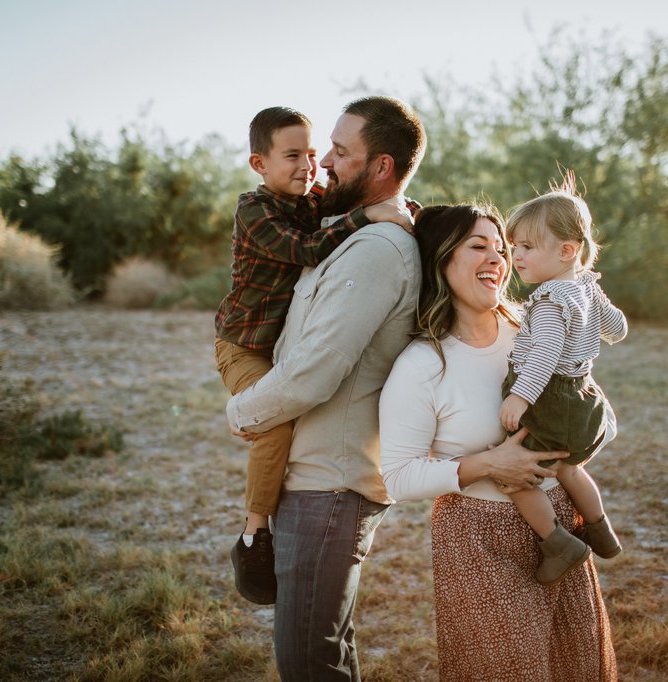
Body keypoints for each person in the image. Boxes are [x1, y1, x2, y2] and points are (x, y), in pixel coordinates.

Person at [225, 96, 427, 680]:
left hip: (329, 486)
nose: (324, 165)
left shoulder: (376, 248)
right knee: (326, 652)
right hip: (317, 478)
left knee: (308, 661)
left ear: (381, 166)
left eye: (339, 152)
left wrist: (241, 412)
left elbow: (315, 370)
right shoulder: (346, 232)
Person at [380, 203, 618, 681]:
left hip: (562, 524)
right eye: (478, 246)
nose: (498, 258)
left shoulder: (533, 330)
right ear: (442, 260)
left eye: (503, 249)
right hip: (480, 538)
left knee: (575, 665)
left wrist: (574, 450)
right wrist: (489, 464)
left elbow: (594, 411)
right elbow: (399, 478)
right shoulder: (422, 364)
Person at [499, 173, 629, 584]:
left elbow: (544, 355)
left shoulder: (551, 300)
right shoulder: (584, 288)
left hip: (550, 401)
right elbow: (618, 330)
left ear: (567, 250)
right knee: (570, 469)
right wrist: (595, 296)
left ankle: (558, 543)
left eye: (527, 247)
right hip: (583, 398)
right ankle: (600, 531)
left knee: (516, 478)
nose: (516, 256)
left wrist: (520, 397)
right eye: (515, 246)